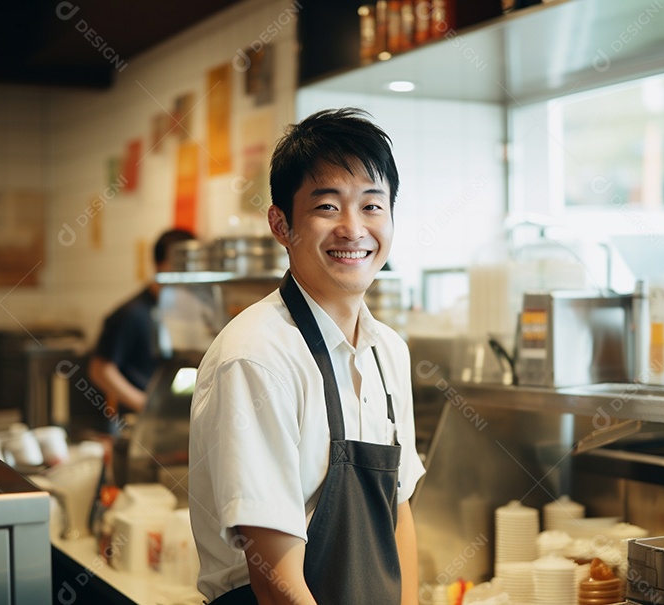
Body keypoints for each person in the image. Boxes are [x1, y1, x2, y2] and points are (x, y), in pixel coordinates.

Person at [189, 108, 425, 604]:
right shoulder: (256, 357)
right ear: (281, 223)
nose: (353, 228)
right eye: (327, 207)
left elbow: (398, 510)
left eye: (371, 205)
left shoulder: (389, 353)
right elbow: (276, 581)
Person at [88, 228, 194, 418]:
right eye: (180, 263)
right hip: (136, 421)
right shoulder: (132, 313)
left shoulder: (182, 309)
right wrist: (144, 405)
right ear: (159, 264)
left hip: (174, 415)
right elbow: (100, 370)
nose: (187, 271)